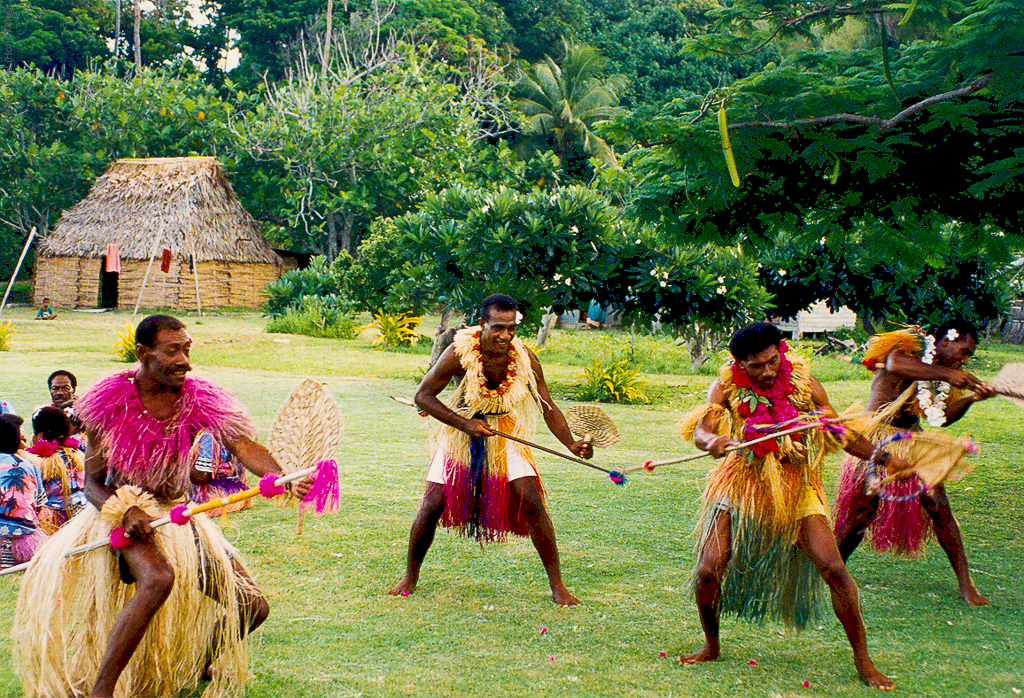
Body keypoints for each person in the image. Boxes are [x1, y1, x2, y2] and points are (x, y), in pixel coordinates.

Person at [14, 314, 312, 698]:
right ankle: (101, 691)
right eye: (173, 351)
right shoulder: (110, 401)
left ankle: (199, 663)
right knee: (157, 579)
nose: (185, 360)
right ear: (143, 353)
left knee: (253, 606)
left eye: (187, 350)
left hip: (176, 514)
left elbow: (245, 446)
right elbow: (92, 485)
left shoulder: (198, 396)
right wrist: (125, 511)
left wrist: (282, 476)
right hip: (121, 510)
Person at [679, 322, 911, 689]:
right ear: (739, 364)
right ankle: (711, 644)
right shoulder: (725, 387)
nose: (768, 371)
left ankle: (864, 660)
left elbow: (840, 433)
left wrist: (882, 457)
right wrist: (710, 441)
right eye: (756, 366)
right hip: (741, 480)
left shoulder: (806, 386)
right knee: (709, 569)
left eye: (773, 361)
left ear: (781, 351)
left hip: (796, 482)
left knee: (834, 568)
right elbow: (701, 430)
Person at [388, 294, 593, 606]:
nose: (505, 335)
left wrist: (572, 443)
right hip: (461, 430)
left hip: (505, 431)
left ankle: (558, 587)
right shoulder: (458, 352)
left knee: (532, 500)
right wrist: (464, 424)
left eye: (511, 328)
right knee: (432, 503)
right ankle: (410, 576)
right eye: (498, 328)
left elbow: (547, 405)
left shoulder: (524, 357)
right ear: (482, 324)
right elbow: (423, 396)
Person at [834, 320, 995, 606]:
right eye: (964, 350)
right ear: (947, 338)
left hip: (912, 441)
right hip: (876, 436)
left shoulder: (940, 375)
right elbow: (894, 364)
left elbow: (941, 416)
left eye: (969, 355)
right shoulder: (911, 342)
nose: (965, 358)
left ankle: (966, 584)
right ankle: (832, 570)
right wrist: (948, 373)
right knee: (862, 512)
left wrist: (970, 398)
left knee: (938, 506)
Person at [26, 406, 86, 532]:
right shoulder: (77, 454)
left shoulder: (37, 463)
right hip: (85, 515)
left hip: (55, 525)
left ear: (40, 436)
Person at [0, 413, 49, 568]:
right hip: (28, 540)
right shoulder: (29, 465)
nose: (25, 440)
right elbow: (39, 504)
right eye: (21, 437)